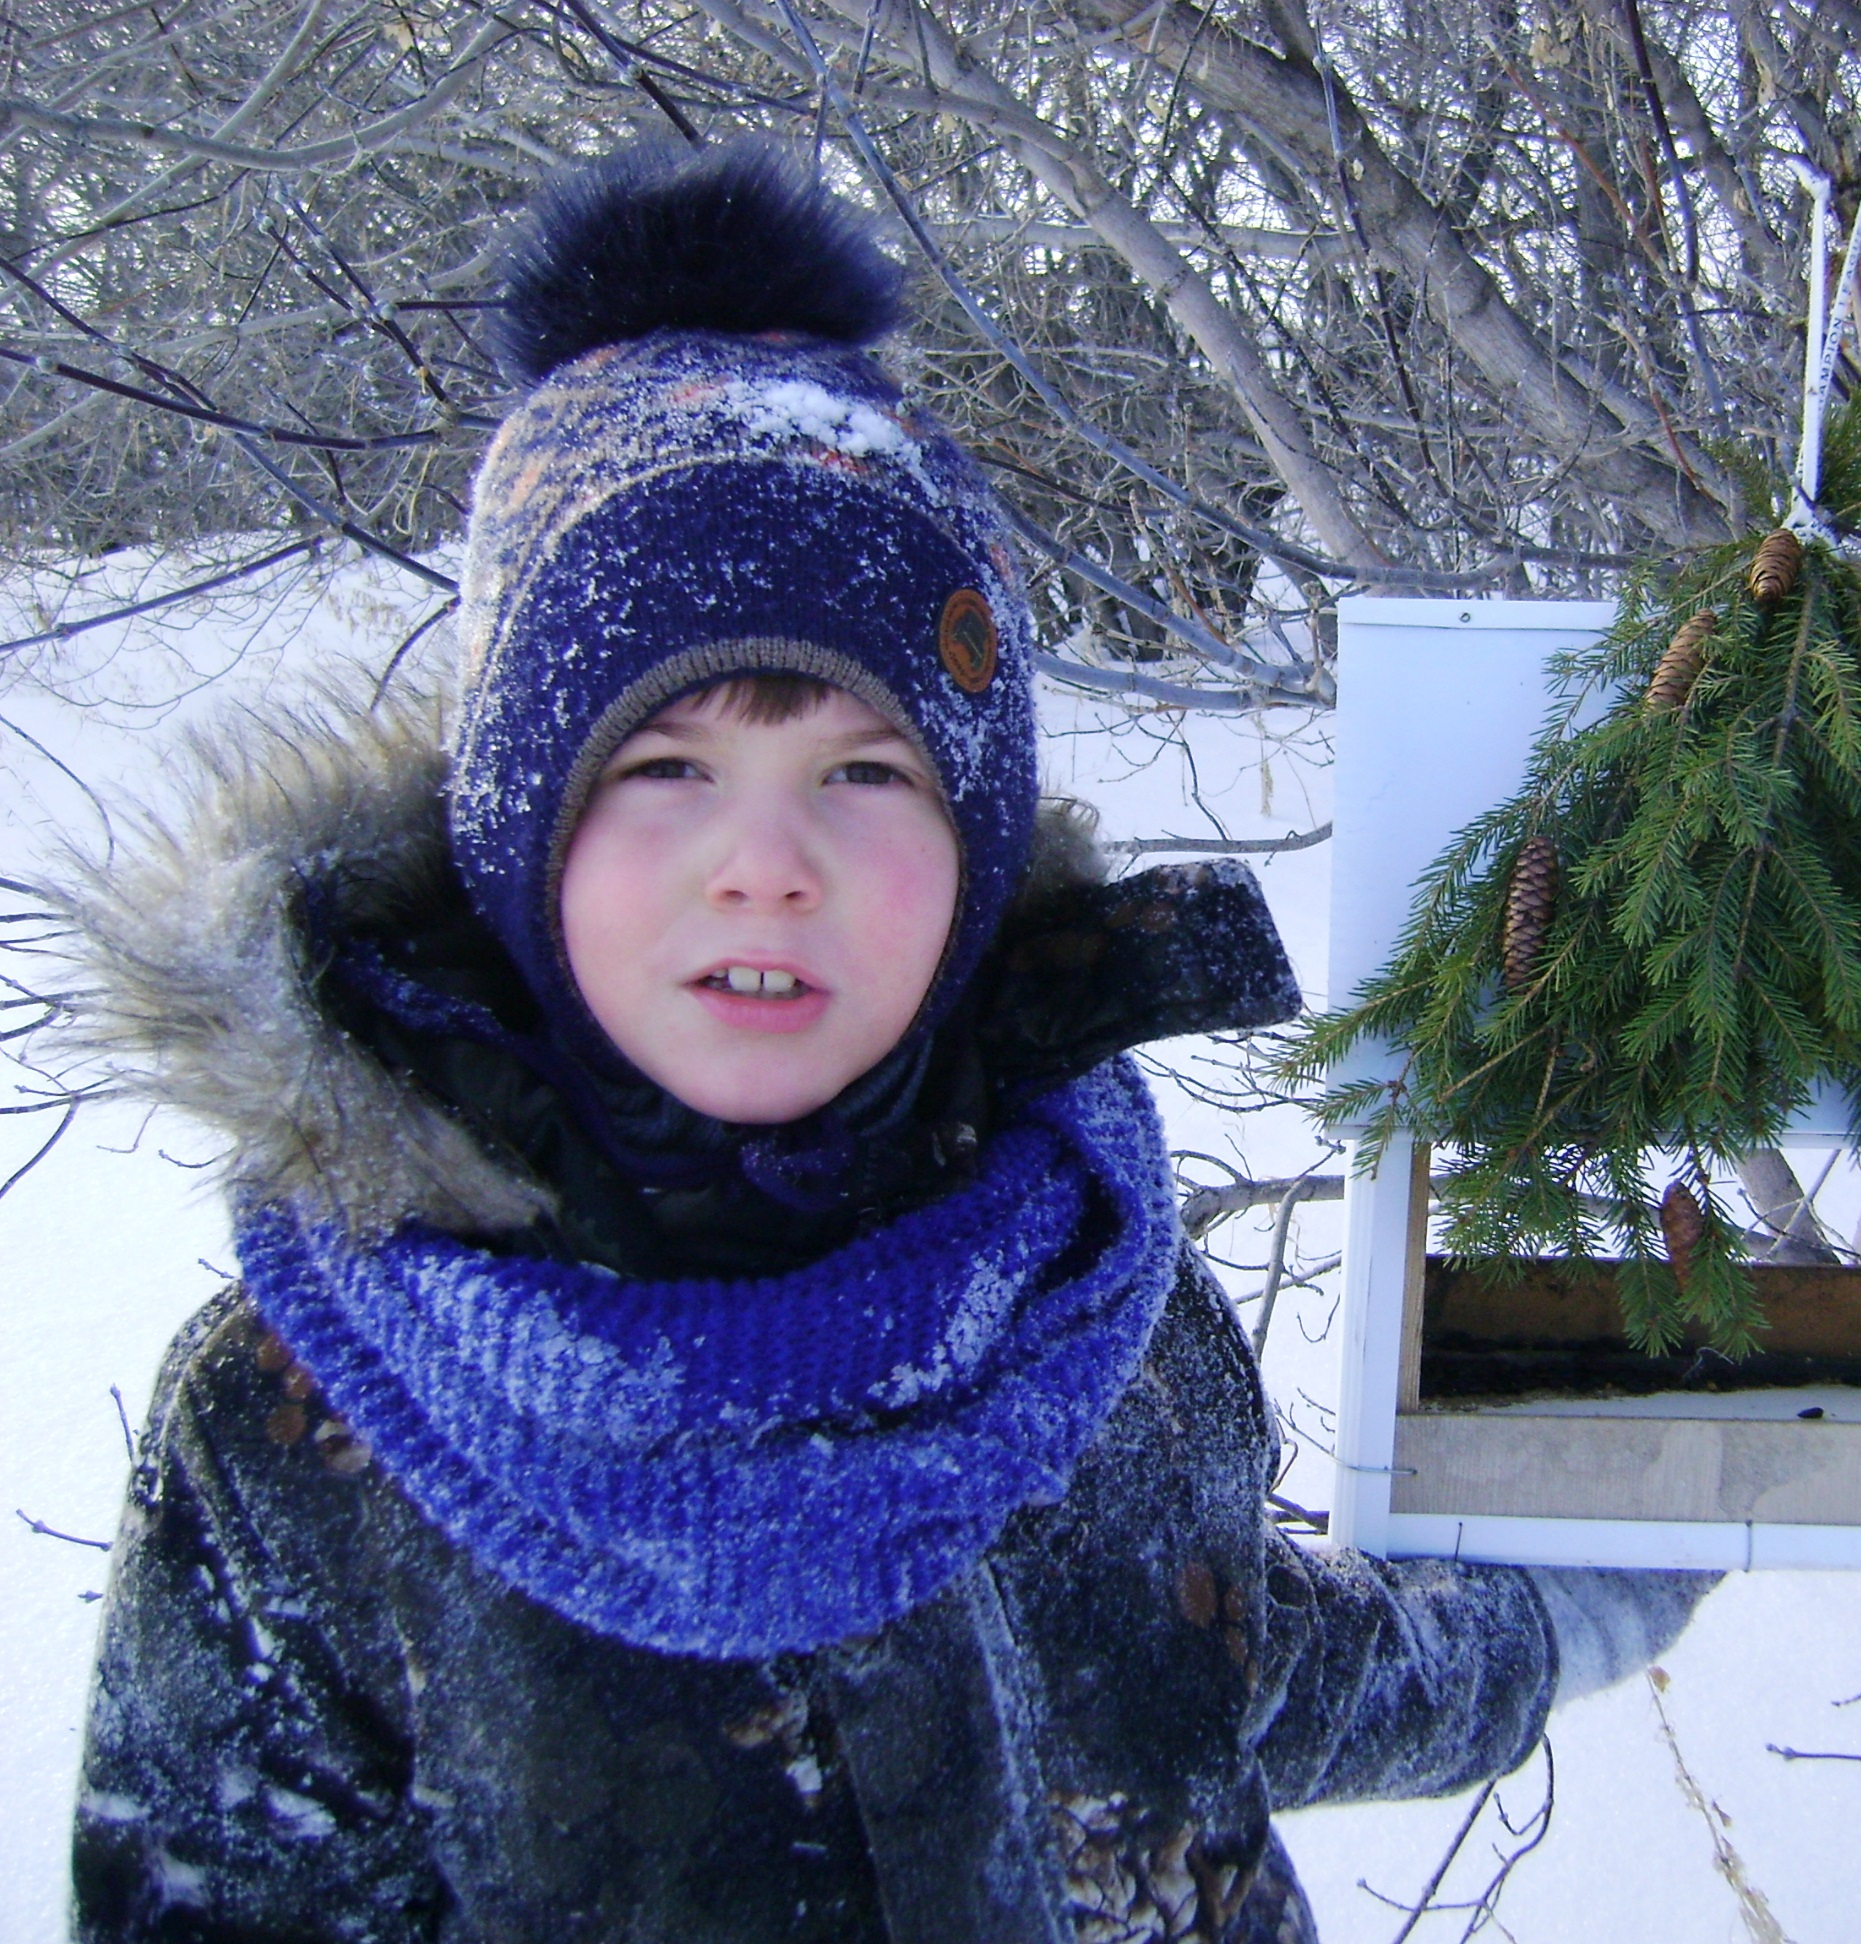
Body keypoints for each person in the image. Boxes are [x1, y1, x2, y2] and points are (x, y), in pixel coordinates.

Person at [58, 140, 1713, 1943]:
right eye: (664, 770)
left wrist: (1545, 1624)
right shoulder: (308, 1423)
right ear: (514, 840)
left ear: (982, 851)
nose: (765, 867)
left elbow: (1226, 1668)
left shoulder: (1087, 1279)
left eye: (863, 773)